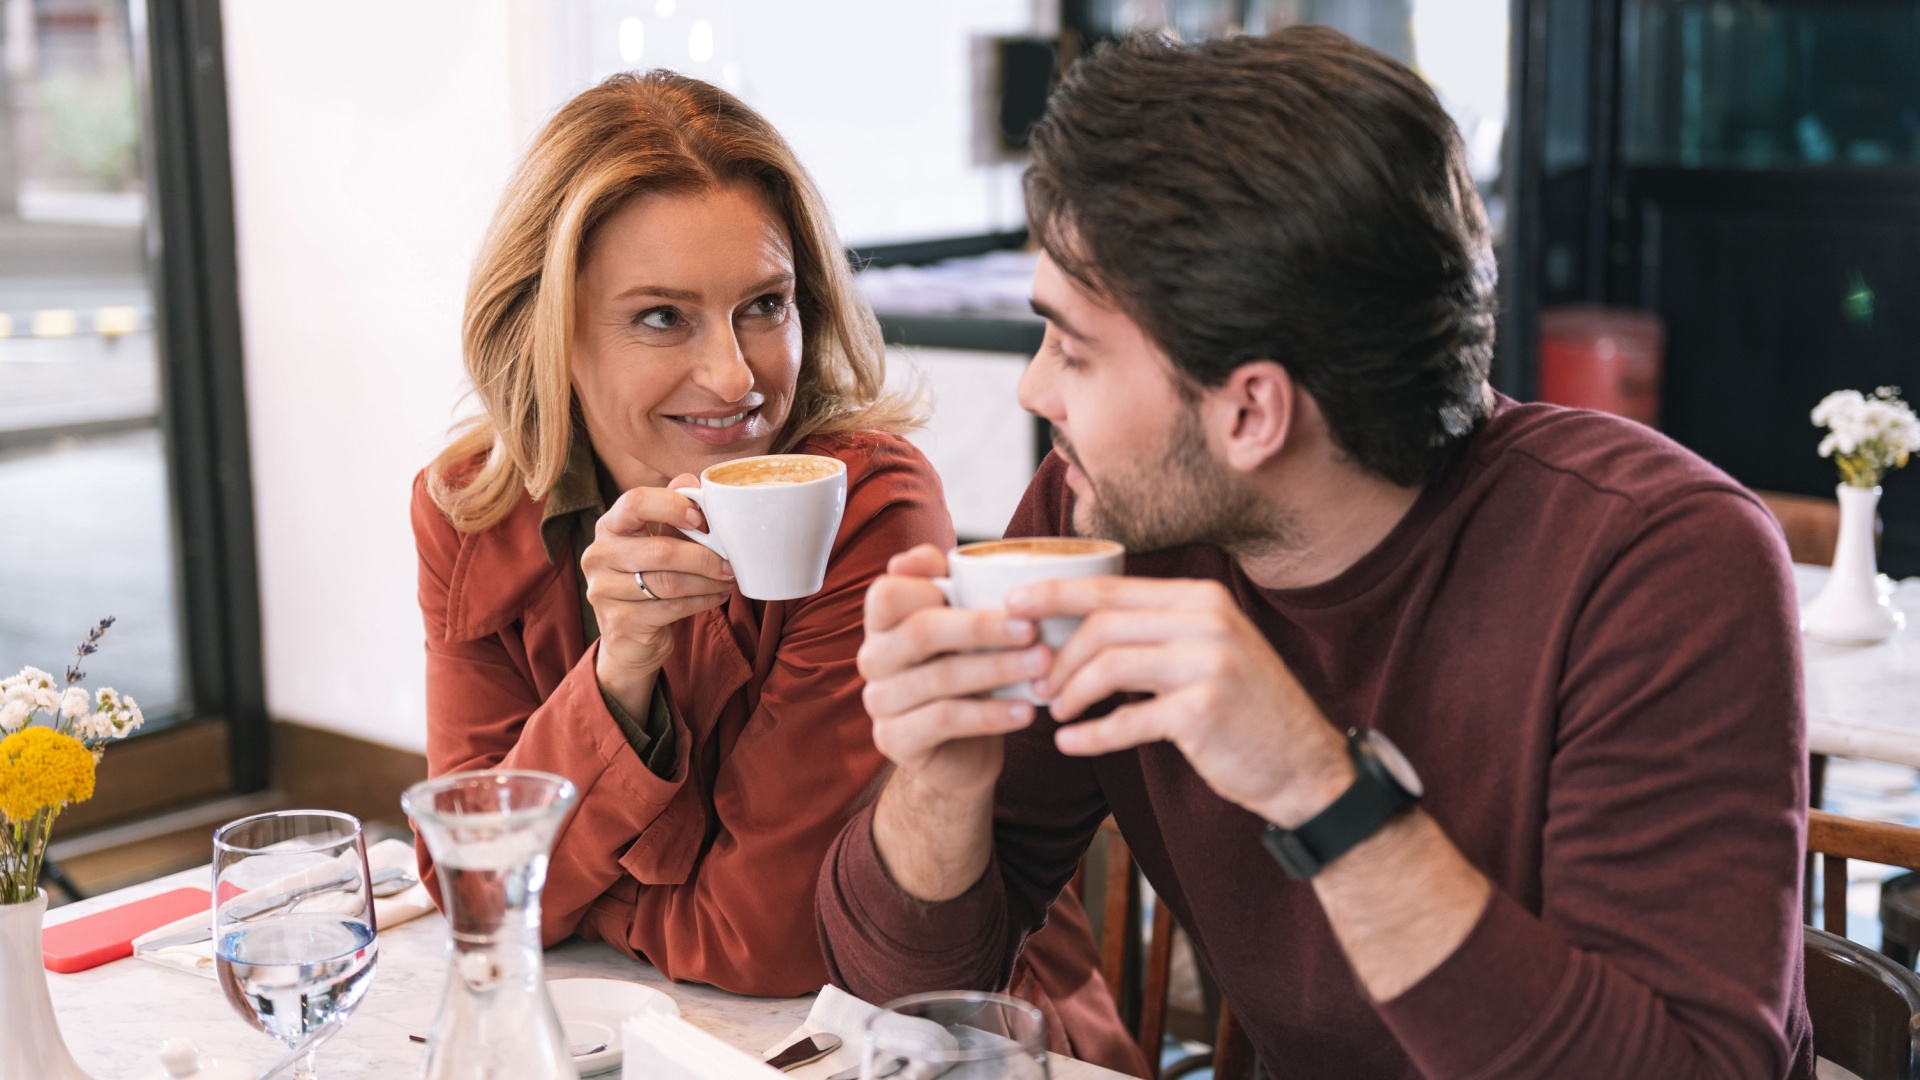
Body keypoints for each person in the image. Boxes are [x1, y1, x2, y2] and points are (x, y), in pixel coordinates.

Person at [818, 28, 1815, 1080]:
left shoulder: (1660, 563)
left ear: (1252, 410)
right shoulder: (1097, 521)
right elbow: (899, 1006)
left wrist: (1316, 783)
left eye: (1071, 347)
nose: (1035, 390)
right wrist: (938, 777)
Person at [411, 71, 1140, 1073]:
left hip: (944, 1045)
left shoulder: (860, 499)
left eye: (765, 305)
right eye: (662, 318)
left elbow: (781, 939)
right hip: (641, 1042)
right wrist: (620, 671)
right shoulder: (474, 505)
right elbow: (471, 895)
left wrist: (583, 893)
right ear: (552, 333)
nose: (736, 376)